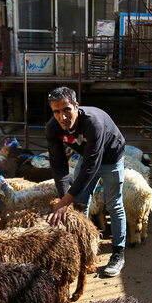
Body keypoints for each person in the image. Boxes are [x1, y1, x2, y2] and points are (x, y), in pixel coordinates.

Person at [45, 86, 127, 277]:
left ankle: (118, 253)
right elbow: (58, 165)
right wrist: (65, 198)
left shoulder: (93, 123)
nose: (62, 116)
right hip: (87, 155)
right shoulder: (52, 127)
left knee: (114, 204)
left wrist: (65, 201)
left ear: (76, 106)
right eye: (56, 111)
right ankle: (84, 249)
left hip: (111, 157)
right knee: (80, 204)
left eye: (66, 109)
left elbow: (92, 166)